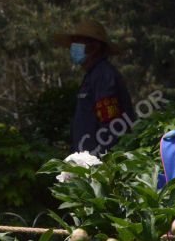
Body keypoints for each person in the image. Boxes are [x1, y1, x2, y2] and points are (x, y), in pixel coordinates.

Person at [54, 19, 135, 154]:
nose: (73, 47)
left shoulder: (103, 76)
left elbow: (111, 125)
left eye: (78, 41)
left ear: (94, 47)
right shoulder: (92, 76)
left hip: (98, 162)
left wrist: (101, 162)